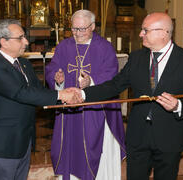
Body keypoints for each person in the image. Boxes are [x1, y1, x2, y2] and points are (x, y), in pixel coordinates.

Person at [81, 12, 183, 180]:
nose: (141, 34)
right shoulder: (136, 58)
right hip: (138, 136)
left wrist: (178, 106)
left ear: (163, 32)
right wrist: (82, 94)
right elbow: (114, 85)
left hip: (169, 137)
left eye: (145, 30)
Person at [0, 19, 81, 180]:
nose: (26, 42)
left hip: (23, 141)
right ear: (4, 42)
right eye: (20, 38)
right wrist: (62, 96)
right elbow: (20, 93)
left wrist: (63, 90)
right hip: (3, 144)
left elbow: (36, 92)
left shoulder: (23, 63)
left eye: (25, 37)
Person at [45, 10, 126, 180]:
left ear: (93, 27)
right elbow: (53, 68)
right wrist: (56, 78)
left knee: (93, 144)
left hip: (96, 109)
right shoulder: (64, 46)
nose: (77, 33)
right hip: (70, 108)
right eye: (74, 29)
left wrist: (92, 81)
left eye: (82, 29)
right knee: (71, 145)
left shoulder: (104, 47)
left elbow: (112, 75)